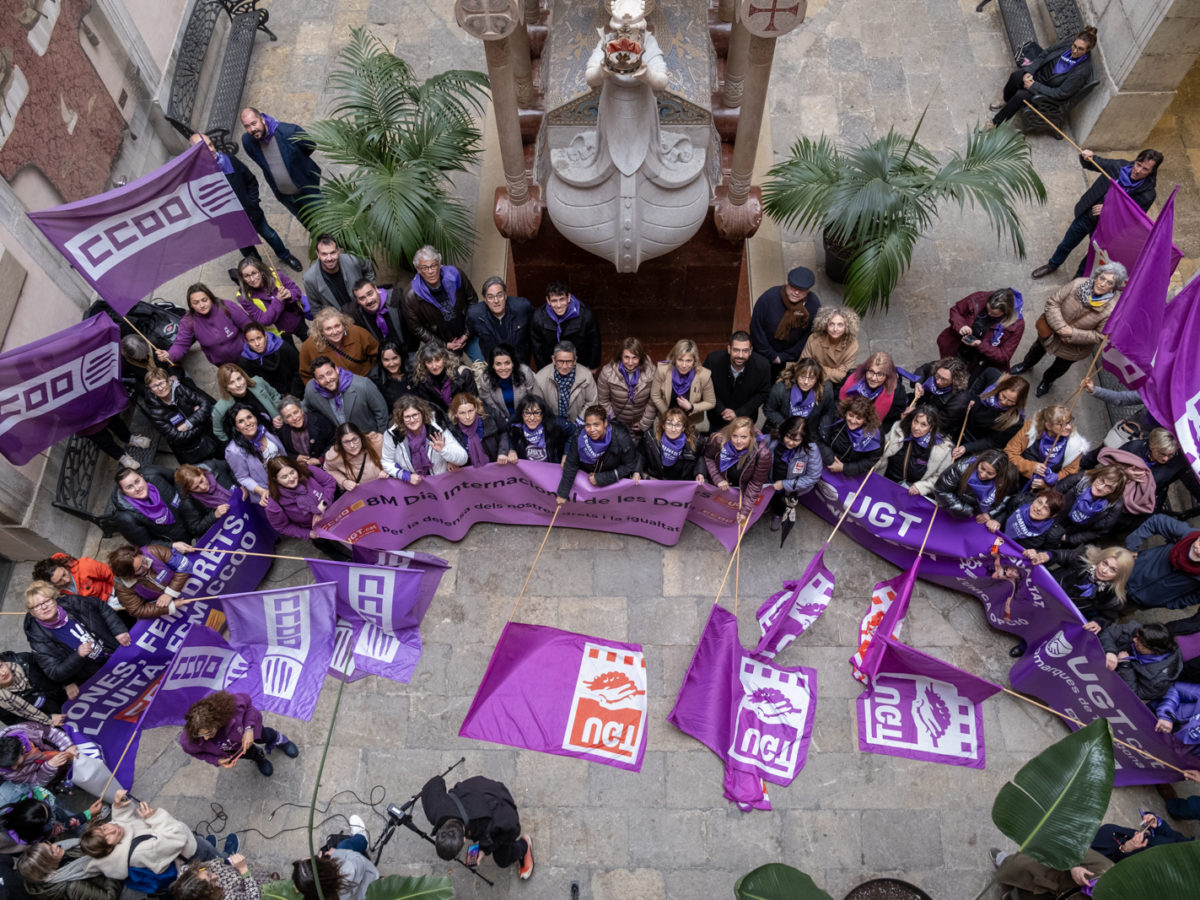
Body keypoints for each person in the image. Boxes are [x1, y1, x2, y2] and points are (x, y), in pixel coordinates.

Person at [1031, 148, 1163, 280]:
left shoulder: (1147, 194)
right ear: (1135, 161)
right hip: (1088, 215)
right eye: (1138, 164)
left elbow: (1132, 218)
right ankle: (1052, 264)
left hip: (1106, 229)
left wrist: (1109, 210)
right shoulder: (1119, 167)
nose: (1138, 170)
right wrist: (1087, 156)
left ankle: (1077, 279)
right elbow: (1094, 162)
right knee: (1067, 243)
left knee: (1092, 255)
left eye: (1145, 169)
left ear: (1152, 171)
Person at [1011, 262, 1128, 397]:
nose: (1102, 284)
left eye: (1109, 283)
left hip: (1074, 347)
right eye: (1102, 278)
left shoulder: (1111, 309)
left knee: (1060, 367)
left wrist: (1072, 333)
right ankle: (1026, 364)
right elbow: (1053, 302)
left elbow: (1099, 336)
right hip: (1051, 331)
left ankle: (1047, 381)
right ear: (1097, 276)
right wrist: (1060, 326)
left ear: (1114, 287)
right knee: (1037, 349)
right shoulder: (1078, 284)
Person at [189, 132, 302, 272]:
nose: (211, 149)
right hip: (232, 225)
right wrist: (221, 221)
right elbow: (202, 208)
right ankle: (261, 271)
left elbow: (251, 180)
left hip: (252, 213)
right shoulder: (197, 180)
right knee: (247, 249)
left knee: (270, 235)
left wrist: (252, 202)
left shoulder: (229, 160)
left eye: (210, 144)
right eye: (204, 148)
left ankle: (285, 255)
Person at [80, 789, 221, 881]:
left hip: (184, 847)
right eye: (107, 837)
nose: (112, 829)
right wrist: (155, 818)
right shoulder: (141, 852)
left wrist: (118, 805)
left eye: (104, 828)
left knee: (209, 852)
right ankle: (230, 862)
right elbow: (178, 838)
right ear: (108, 849)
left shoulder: (117, 841)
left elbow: (121, 821)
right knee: (218, 864)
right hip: (192, 852)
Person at [420, 773, 534, 880]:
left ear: (464, 839)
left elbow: (512, 828)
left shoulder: (487, 823)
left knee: (502, 860)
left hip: (500, 800)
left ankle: (524, 846)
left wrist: (485, 849)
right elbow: (434, 782)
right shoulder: (434, 811)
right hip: (476, 786)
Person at [988, 26, 1098, 126]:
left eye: (1080, 49)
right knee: (1016, 76)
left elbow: (1060, 93)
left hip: (1047, 90)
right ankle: (1006, 100)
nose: (1074, 50)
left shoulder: (1082, 71)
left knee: (1021, 96)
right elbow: (1046, 53)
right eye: (1075, 46)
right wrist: (1030, 71)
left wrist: (1033, 86)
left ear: (1088, 50)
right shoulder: (1067, 45)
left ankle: (995, 123)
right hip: (1038, 74)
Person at [180, 690, 297, 777]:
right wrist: (217, 761)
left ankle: (279, 740)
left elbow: (249, 706)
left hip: (252, 731)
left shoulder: (231, 706)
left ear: (217, 720)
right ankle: (259, 758)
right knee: (250, 753)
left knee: (265, 736)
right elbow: (197, 754)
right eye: (201, 735)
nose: (205, 738)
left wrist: (249, 729)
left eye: (209, 732)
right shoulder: (188, 741)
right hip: (235, 750)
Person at [0, 719, 121, 802]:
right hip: (52, 773)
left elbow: (53, 734)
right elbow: (36, 783)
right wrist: (49, 767)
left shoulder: (27, 730)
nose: (15, 768)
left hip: (59, 750)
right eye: (13, 766)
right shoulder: (9, 773)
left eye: (18, 763)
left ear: (22, 747)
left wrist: (67, 746)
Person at [239, 107, 321, 224]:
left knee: (326, 220)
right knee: (308, 223)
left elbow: (310, 146)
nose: (252, 129)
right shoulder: (247, 141)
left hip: (307, 189)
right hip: (286, 197)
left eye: (254, 123)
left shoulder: (289, 131)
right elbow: (260, 161)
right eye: (247, 126)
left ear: (262, 119)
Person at [1036, 545, 1133, 634]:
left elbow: (1108, 616)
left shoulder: (1112, 597)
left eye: (1113, 570)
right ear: (1100, 559)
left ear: (1120, 575)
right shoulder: (1082, 560)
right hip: (1043, 594)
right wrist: (1048, 555)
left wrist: (1098, 623)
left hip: (1060, 614)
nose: (1104, 571)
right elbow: (1063, 555)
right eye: (1105, 563)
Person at [263, 458, 348, 559]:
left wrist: (323, 505)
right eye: (284, 477)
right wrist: (308, 534)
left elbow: (329, 482)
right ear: (275, 479)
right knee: (325, 545)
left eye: (292, 472)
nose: (291, 478)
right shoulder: (274, 503)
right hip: (313, 528)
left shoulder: (308, 471)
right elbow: (282, 527)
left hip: (334, 513)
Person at [935, 288, 1024, 382]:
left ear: (1006, 312)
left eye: (994, 313)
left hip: (978, 362)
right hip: (955, 347)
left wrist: (981, 345)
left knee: (961, 382)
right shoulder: (979, 298)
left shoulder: (1017, 325)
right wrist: (961, 326)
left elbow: (1004, 355)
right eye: (987, 309)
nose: (989, 314)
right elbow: (956, 310)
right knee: (944, 373)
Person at [111, 466, 214, 547]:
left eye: (137, 481)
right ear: (123, 492)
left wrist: (185, 501)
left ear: (141, 476)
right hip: (180, 544)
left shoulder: (154, 474)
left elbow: (177, 477)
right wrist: (172, 546)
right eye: (130, 487)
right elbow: (146, 544)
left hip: (198, 522)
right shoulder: (125, 518)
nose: (137, 488)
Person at [750, 266, 822, 379]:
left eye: (802, 289)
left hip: (786, 356)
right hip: (760, 351)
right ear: (787, 282)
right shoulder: (768, 298)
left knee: (776, 381)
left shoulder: (814, 305)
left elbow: (809, 336)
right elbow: (756, 328)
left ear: (808, 290)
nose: (796, 292)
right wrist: (771, 355)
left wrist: (784, 356)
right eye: (793, 287)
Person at [400, 246, 477, 352]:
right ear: (418, 270)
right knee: (453, 368)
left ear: (440, 265)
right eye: (425, 268)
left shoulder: (456, 275)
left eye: (433, 265)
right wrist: (444, 345)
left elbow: (472, 301)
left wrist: (467, 334)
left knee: (483, 364)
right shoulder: (410, 296)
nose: (430, 271)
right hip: (441, 343)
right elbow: (416, 328)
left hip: (467, 331)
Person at [159, 284, 254, 368]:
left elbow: (247, 325)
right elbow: (181, 344)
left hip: (247, 353)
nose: (201, 305)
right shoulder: (188, 321)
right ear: (191, 305)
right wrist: (169, 354)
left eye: (204, 300)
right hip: (224, 364)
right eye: (196, 303)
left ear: (210, 298)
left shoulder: (226, 306)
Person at [556, 405, 637, 501]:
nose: (592, 430)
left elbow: (629, 465)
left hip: (612, 488)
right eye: (588, 425)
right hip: (587, 486)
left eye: (596, 425)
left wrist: (602, 478)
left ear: (605, 423)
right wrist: (563, 493)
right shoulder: (579, 436)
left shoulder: (621, 438)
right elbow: (571, 465)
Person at [381, 396, 467, 484]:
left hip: (440, 483)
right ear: (401, 418)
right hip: (412, 486)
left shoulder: (436, 429)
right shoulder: (393, 434)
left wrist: (444, 450)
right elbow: (387, 462)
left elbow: (463, 458)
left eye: (415, 415)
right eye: (407, 417)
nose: (412, 420)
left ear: (422, 413)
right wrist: (406, 476)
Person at [703, 416, 773, 523]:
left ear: (751, 437)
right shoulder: (719, 441)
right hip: (720, 487)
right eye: (734, 436)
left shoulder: (762, 454)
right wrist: (717, 478)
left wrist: (745, 511)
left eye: (744, 437)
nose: (738, 441)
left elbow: (755, 483)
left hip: (741, 492)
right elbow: (708, 457)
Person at [1123, 515, 1200, 610]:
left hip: (1141, 601)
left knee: (1117, 611)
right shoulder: (1187, 535)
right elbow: (1157, 521)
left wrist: (1166, 603)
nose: (1198, 551)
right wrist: (1131, 547)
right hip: (1126, 572)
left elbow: (1195, 598)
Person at [141, 371, 219, 465]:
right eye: (155, 386)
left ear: (169, 381)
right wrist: (200, 419)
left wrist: (188, 424)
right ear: (151, 390)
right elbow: (177, 437)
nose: (160, 388)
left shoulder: (180, 389)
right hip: (191, 450)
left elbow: (205, 404)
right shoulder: (155, 412)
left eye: (162, 383)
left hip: (209, 436)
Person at [874, 403, 952, 497]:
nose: (916, 427)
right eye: (915, 421)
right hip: (884, 482)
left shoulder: (941, 449)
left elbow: (940, 477)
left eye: (923, 425)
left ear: (931, 428)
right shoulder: (899, 430)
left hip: (910, 494)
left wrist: (921, 487)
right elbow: (880, 452)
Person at [1004, 404, 1088, 489]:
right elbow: (1009, 453)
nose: (1069, 427)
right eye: (1061, 424)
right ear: (1048, 425)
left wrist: (1049, 482)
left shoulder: (1076, 445)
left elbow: (1070, 471)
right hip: (1013, 478)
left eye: (1069, 422)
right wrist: (1031, 467)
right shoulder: (1030, 429)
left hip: (1037, 491)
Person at [107, 544, 198, 621]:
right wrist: (170, 607)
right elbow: (137, 610)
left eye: (144, 560)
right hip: (171, 607)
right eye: (139, 569)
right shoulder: (122, 586)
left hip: (189, 587)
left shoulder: (153, 551)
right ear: (128, 575)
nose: (146, 567)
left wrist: (169, 593)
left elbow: (185, 565)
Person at [704, 330, 772, 432]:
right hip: (717, 419)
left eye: (745, 351)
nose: (740, 355)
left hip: (745, 420)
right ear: (729, 349)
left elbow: (763, 393)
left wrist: (739, 413)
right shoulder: (713, 360)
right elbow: (705, 386)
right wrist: (721, 410)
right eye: (736, 350)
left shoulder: (762, 365)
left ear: (750, 351)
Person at [303, 357, 389, 436]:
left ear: (336, 370)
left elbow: (381, 413)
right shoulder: (311, 390)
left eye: (329, 373)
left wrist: (381, 436)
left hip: (367, 436)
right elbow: (306, 410)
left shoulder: (363, 385)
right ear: (316, 381)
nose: (328, 379)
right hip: (339, 440)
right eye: (321, 377)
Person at [1100, 621, 1182, 704]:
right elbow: (1108, 632)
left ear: (1152, 650)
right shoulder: (1141, 632)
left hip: (1110, 686)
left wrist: (1125, 666)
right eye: (1137, 636)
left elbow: (1135, 694)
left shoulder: (1159, 681)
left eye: (1140, 642)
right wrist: (1110, 651)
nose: (1134, 639)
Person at [17, 836, 123, 900]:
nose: (56, 846)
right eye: (52, 851)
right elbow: (109, 897)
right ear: (47, 865)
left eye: (49, 844)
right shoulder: (71, 886)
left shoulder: (61, 856)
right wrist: (110, 865)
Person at [1048, 464, 1127, 548]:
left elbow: (1098, 531)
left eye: (1109, 487)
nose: (1100, 487)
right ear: (1097, 475)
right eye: (1101, 480)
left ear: (1114, 492)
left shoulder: (1114, 506)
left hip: (1070, 536)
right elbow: (1050, 496)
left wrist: (1070, 539)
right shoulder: (1079, 479)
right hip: (1050, 521)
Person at [933, 449, 1018, 524]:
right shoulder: (963, 467)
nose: (983, 474)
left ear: (999, 474)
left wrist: (990, 514)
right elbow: (941, 489)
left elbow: (1007, 498)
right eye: (982, 468)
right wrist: (966, 511)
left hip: (979, 518)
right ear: (979, 461)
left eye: (990, 473)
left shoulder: (1006, 479)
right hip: (955, 510)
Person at [233, 257, 309, 342]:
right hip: (279, 332)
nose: (252, 279)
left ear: (261, 272)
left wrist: (290, 294)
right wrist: (278, 300)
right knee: (290, 353)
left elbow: (297, 292)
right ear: (242, 278)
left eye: (254, 273)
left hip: (295, 319)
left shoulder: (277, 276)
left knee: (311, 343)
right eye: (246, 276)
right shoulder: (243, 297)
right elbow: (264, 320)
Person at [767, 415, 822, 531]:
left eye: (796, 440)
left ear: (804, 439)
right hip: (771, 479)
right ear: (783, 432)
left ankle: (778, 514)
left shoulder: (811, 450)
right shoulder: (773, 438)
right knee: (768, 497)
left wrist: (784, 484)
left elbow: (813, 477)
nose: (790, 443)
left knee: (781, 502)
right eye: (788, 437)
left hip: (789, 487)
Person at [530, 282, 601, 370]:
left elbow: (594, 342)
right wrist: (543, 370)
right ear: (548, 301)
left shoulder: (585, 315)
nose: (559, 305)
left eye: (562, 299)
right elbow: (537, 349)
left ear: (568, 298)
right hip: (552, 365)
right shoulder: (538, 317)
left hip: (580, 364)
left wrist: (593, 366)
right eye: (554, 301)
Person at [224, 406, 287, 505]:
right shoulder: (233, 451)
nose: (248, 423)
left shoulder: (264, 428)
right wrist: (262, 491)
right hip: (270, 490)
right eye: (241, 421)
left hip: (288, 477)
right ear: (236, 428)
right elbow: (243, 477)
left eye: (249, 417)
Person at [596, 337, 657, 437]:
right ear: (620, 356)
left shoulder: (651, 372)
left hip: (640, 423)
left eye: (634, 358)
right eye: (626, 357)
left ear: (640, 357)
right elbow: (603, 401)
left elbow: (653, 400)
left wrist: (644, 423)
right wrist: (614, 421)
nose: (630, 362)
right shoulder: (607, 373)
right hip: (617, 424)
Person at [650, 339, 715, 430]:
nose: (684, 365)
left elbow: (711, 402)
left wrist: (691, 407)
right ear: (674, 359)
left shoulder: (704, 375)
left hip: (690, 422)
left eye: (688, 361)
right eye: (680, 360)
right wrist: (668, 416)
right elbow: (655, 395)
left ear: (694, 361)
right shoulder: (663, 370)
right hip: (666, 420)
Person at [533, 341, 599, 432]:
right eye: (560, 361)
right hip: (552, 427)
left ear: (575, 360)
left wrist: (579, 422)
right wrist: (551, 423)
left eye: (569, 362)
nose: (564, 366)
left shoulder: (586, 376)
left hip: (579, 425)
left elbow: (592, 402)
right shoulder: (541, 377)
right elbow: (537, 406)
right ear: (553, 359)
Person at [299, 308, 380, 382]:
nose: (334, 332)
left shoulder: (357, 332)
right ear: (321, 332)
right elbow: (306, 374)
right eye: (328, 329)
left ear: (343, 325)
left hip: (365, 381)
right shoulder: (309, 346)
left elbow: (377, 353)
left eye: (337, 326)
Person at [764, 358, 837, 439]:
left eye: (811, 378)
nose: (806, 382)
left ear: (817, 379)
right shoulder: (781, 388)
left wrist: (823, 432)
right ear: (796, 374)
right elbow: (769, 410)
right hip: (782, 428)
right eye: (802, 377)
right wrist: (787, 426)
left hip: (809, 432)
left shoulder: (825, 390)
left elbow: (828, 411)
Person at [467, 276, 533, 364]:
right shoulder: (475, 314)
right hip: (493, 365)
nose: (496, 300)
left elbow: (534, 332)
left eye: (500, 295)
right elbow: (470, 337)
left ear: (505, 295)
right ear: (485, 300)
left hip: (519, 363)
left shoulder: (522, 307)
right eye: (490, 297)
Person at [303, 235, 377, 313]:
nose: (329, 258)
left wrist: (369, 290)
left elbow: (368, 268)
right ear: (318, 254)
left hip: (363, 309)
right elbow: (315, 308)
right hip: (339, 319)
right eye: (324, 254)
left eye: (333, 252)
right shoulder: (310, 279)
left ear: (338, 251)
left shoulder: (352, 260)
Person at [211, 364, 282, 443]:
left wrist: (279, 414)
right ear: (226, 387)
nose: (238, 384)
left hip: (279, 430)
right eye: (231, 383)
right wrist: (241, 444)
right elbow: (218, 432)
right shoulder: (221, 408)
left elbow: (275, 396)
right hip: (255, 445)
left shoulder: (258, 382)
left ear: (244, 376)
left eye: (239, 378)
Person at [290, 837, 379, 900]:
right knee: (345, 844)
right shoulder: (350, 869)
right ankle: (362, 838)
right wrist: (336, 852)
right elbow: (358, 859)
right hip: (371, 882)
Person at [816, 395, 884, 477]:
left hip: (851, 475)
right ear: (845, 413)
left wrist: (844, 468)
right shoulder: (836, 418)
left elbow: (871, 460)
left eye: (859, 418)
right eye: (850, 415)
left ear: (866, 419)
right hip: (826, 463)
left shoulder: (874, 435)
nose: (853, 421)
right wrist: (830, 459)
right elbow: (819, 438)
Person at [961, 375, 1029, 454]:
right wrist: (972, 397)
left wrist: (967, 447)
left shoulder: (1015, 422)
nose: (1003, 402)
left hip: (975, 444)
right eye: (1003, 396)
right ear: (1001, 388)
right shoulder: (990, 386)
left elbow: (992, 442)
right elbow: (988, 373)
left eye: (1011, 401)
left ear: (1018, 402)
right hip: (962, 426)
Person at [839, 352, 908, 430]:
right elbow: (839, 402)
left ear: (887, 376)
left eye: (880, 374)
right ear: (865, 370)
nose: (873, 378)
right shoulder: (852, 378)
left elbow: (894, 417)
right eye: (871, 372)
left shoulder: (896, 394)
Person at [635, 408, 705, 483]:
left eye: (678, 425)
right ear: (663, 426)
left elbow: (700, 458)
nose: (673, 429)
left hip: (680, 484)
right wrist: (637, 471)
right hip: (657, 481)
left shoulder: (695, 442)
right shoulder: (650, 437)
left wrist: (700, 473)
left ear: (683, 428)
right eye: (669, 424)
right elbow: (641, 455)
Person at [0, 651, 67, 727]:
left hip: (71, 695)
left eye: (0, 666)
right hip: (54, 723)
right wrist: (48, 719)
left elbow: (54, 667)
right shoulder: (1, 702)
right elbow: (15, 723)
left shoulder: (23, 660)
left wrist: (68, 683)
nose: (3, 673)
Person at [410, 341, 477, 417]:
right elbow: (429, 409)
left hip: (467, 416)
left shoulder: (463, 373)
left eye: (438, 360)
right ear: (424, 363)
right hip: (443, 420)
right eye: (429, 362)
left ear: (445, 358)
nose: (434, 366)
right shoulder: (422, 380)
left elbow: (474, 400)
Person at [477, 344, 537, 424]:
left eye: (507, 363)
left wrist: (524, 416)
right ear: (492, 365)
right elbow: (491, 407)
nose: (503, 368)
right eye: (498, 364)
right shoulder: (486, 379)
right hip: (502, 420)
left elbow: (533, 398)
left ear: (513, 363)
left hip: (528, 416)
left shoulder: (525, 372)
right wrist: (504, 420)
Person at [240, 323, 303, 398]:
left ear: (265, 336)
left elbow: (298, 370)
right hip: (273, 398)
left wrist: (294, 395)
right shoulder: (246, 361)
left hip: (297, 391)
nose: (257, 344)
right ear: (247, 343)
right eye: (251, 341)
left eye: (259, 338)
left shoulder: (283, 348)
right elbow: (256, 386)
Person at [800, 306, 859, 385]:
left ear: (846, 327)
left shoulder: (852, 344)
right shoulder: (814, 338)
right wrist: (836, 371)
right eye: (831, 324)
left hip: (837, 385)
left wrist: (816, 366)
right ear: (825, 325)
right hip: (811, 380)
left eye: (840, 325)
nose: (835, 329)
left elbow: (845, 376)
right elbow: (803, 365)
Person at [909, 357, 971, 433]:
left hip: (932, 425)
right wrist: (918, 383)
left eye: (944, 379)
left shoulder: (960, 399)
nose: (937, 381)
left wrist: (914, 415)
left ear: (955, 380)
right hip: (919, 406)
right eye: (937, 375)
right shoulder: (938, 368)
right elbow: (922, 370)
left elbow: (941, 423)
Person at [323, 423, 388, 494]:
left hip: (384, 486)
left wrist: (386, 470)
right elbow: (329, 470)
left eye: (354, 439)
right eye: (346, 442)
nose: (352, 445)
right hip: (360, 493)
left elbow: (391, 457)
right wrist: (344, 482)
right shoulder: (335, 456)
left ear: (360, 437)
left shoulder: (376, 442)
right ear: (340, 443)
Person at [446, 393, 506, 468]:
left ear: (476, 408)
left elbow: (504, 432)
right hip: (471, 474)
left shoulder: (489, 417)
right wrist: (451, 462)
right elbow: (450, 450)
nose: (467, 417)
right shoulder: (451, 429)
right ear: (456, 414)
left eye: (470, 411)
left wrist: (503, 452)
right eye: (462, 413)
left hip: (495, 465)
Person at [170, 854, 264, 900]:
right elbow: (253, 898)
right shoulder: (226, 898)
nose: (216, 876)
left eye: (208, 874)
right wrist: (244, 870)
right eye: (212, 883)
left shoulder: (185, 870)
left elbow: (206, 865)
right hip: (250, 885)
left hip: (234, 871)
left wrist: (223, 861)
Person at [30, 555, 113, 607]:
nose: (66, 580)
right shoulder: (55, 594)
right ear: (51, 584)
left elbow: (112, 576)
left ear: (63, 566)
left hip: (111, 597)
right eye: (59, 581)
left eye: (64, 574)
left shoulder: (85, 565)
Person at [347, 279, 405, 349]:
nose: (369, 301)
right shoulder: (358, 316)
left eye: (370, 294)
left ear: (376, 289)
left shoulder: (396, 299)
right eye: (362, 298)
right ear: (357, 301)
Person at [507, 395, 566, 464]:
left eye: (536, 413)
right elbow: (507, 435)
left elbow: (573, 433)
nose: (532, 418)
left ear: (543, 413)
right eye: (527, 413)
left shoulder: (555, 424)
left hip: (550, 470)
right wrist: (511, 449)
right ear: (521, 414)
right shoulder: (515, 426)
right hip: (527, 471)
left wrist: (566, 454)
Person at [278, 396, 334, 467]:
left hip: (328, 464)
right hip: (304, 470)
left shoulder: (319, 421)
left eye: (296, 412)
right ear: (285, 420)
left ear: (301, 411)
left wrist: (320, 459)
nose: (294, 418)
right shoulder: (283, 432)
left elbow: (334, 441)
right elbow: (284, 451)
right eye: (288, 416)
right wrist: (295, 457)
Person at [1000, 488, 1066, 548]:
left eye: (1046, 508)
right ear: (1035, 499)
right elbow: (1004, 512)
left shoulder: (1053, 533)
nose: (1039, 508)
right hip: (997, 540)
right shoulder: (1020, 500)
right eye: (1039, 502)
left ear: (1052, 515)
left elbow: (1047, 554)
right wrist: (996, 521)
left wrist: (1035, 553)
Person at [371, 340, 412, 413]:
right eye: (386, 360)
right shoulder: (377, 380)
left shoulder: (413, 370)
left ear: (401, 357)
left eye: (395, 358)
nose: (391, 364)